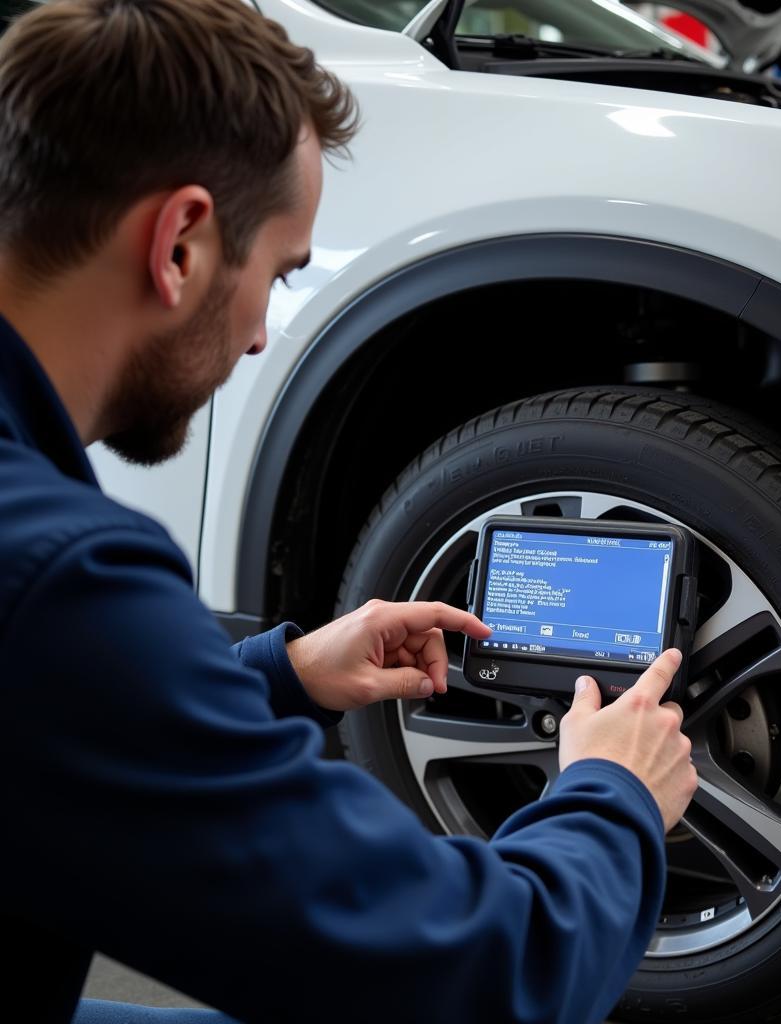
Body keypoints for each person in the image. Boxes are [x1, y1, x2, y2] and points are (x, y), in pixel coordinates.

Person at [0, 2, 699, 1022]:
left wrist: (280, 677)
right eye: (277, 276)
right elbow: (485, 978)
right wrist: (614, 794)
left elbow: (51, 718)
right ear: (183, 243)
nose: (254, 342)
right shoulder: (58, 577)